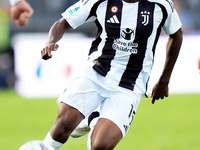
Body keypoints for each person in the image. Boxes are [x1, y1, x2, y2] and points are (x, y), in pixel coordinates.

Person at [41, 0, 183, 149]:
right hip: (95, 73)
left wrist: (164, 80)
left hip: (129, 85)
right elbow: (63, 23)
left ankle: (93, 119)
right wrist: (50, 42)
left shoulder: (161, 4)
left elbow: (176, 35)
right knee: (63, 125)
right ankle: (49, 143)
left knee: (100, 146)